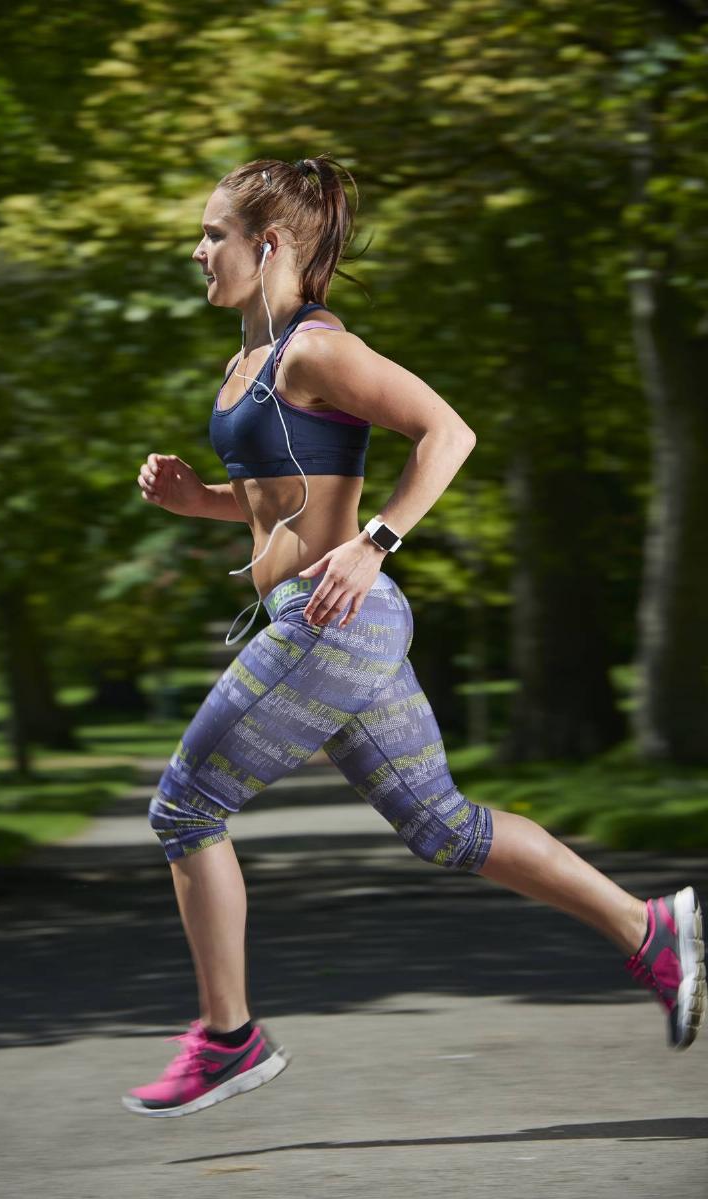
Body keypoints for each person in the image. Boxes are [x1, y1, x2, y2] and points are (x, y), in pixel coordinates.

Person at [122, 155, 706, 1118]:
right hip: (327, 623)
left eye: (213, 233)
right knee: (446, 829)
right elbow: (282, 506)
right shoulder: (249, 362)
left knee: (185, 808)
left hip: (331, 621)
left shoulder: (317, 350)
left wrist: (376, 544)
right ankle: (650, 931)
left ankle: (228, 1040)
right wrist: (201, 502)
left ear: (268, 244)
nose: (197, 249)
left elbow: (449, 433)